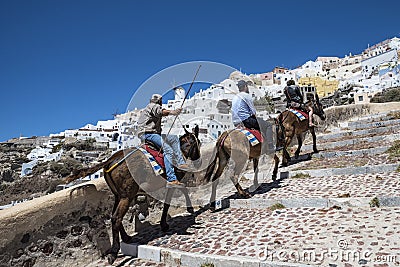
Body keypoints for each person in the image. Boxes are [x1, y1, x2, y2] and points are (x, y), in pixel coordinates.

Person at [137, 94, 189, 188]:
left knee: (174, 138)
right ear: (159, 101)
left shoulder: (149, 108)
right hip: (148, 134)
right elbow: (160, 112)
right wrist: (173, 112)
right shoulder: (153, 106)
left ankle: (181, 163)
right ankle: (171, 179)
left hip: (153, 134)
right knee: (168, 150)